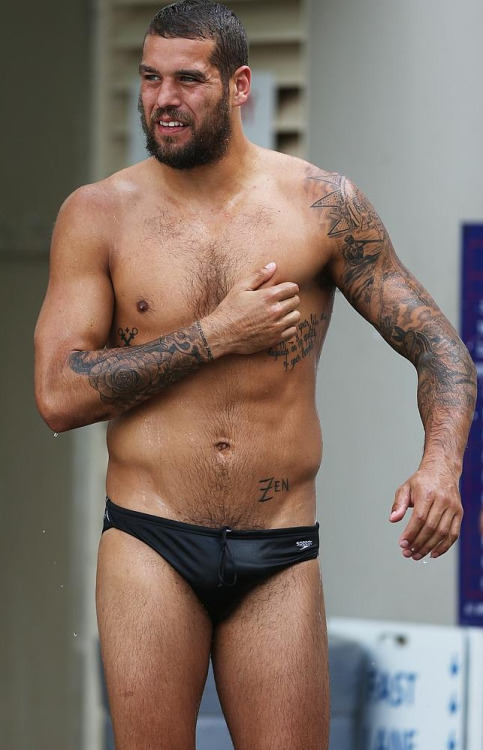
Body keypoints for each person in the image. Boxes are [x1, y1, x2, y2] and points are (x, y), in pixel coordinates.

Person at [34, 1, 476, 748]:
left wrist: (441, 465)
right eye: (149, 78)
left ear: (238, 85)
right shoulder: (99, 214)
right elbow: (58, 394)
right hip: (150, 539)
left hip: (278, 545)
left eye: (187, 80)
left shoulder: (321, 205)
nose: (163, 99)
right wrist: (213, 336)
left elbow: (441, 348)